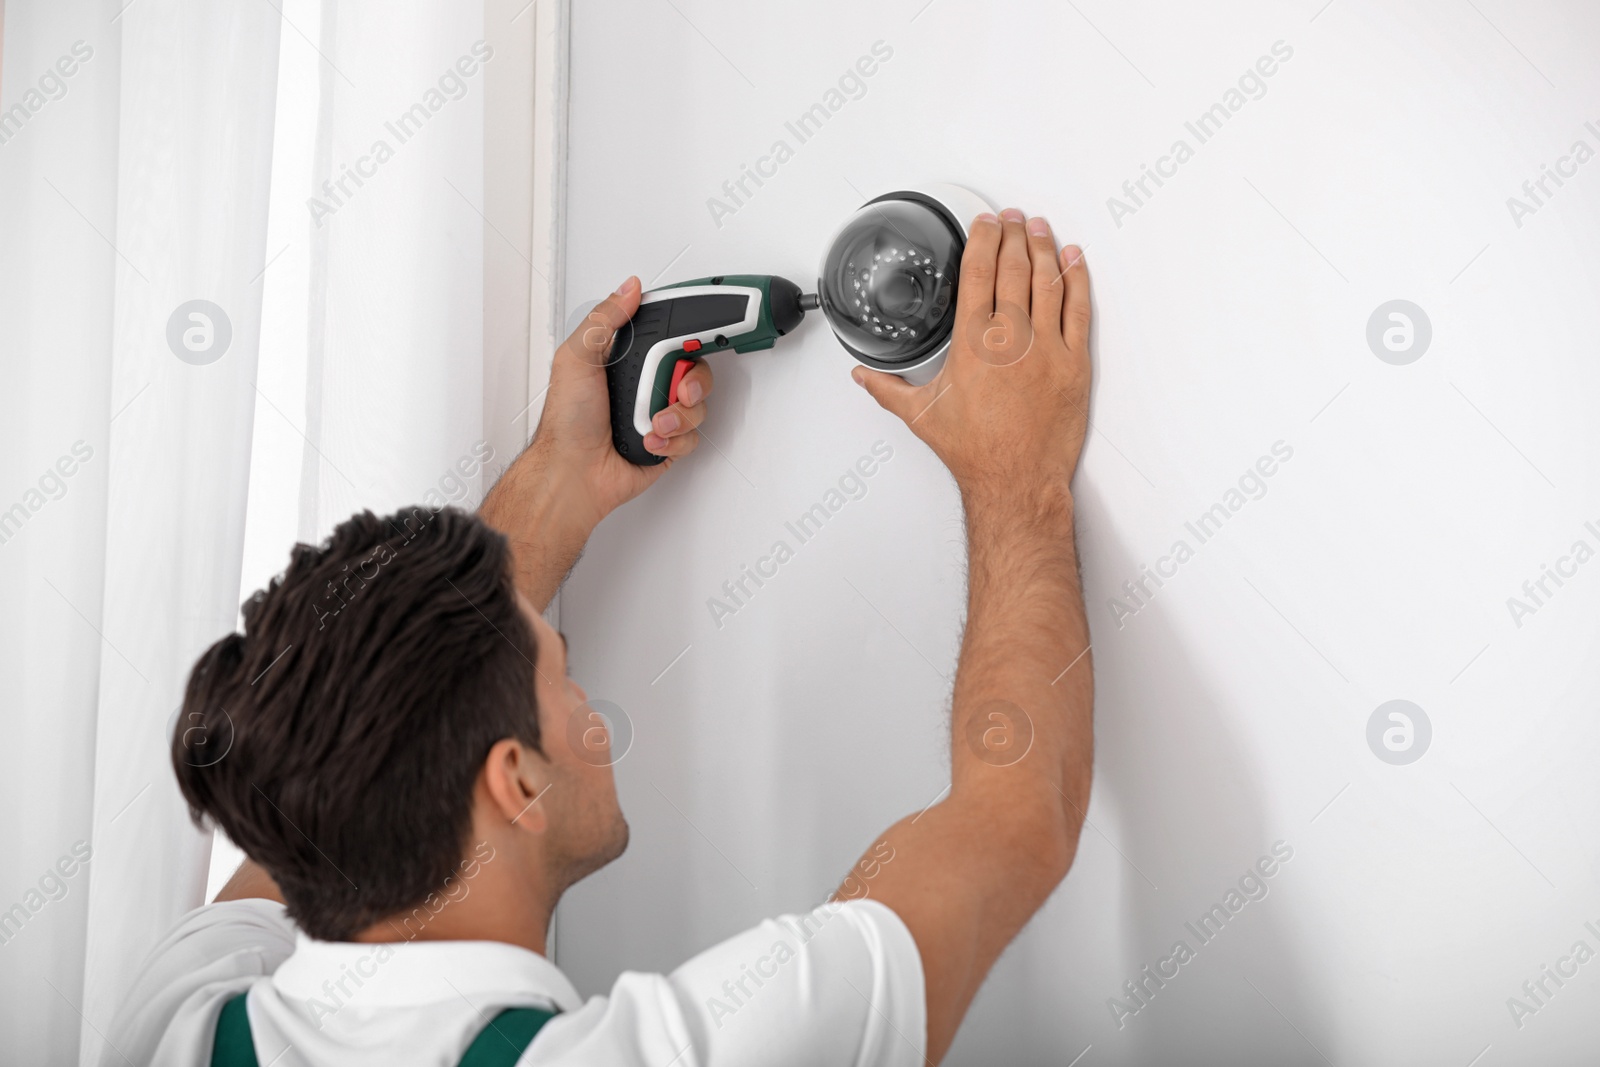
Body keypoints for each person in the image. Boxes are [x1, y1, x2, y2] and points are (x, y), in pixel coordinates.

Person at [104, 209, 1095, 1066]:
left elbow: (321, 760)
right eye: (561, 679)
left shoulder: (180, 1019)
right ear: (515, 781)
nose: (590, 709)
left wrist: (556, 477)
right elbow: (1017, 814)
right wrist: (1015, 476)